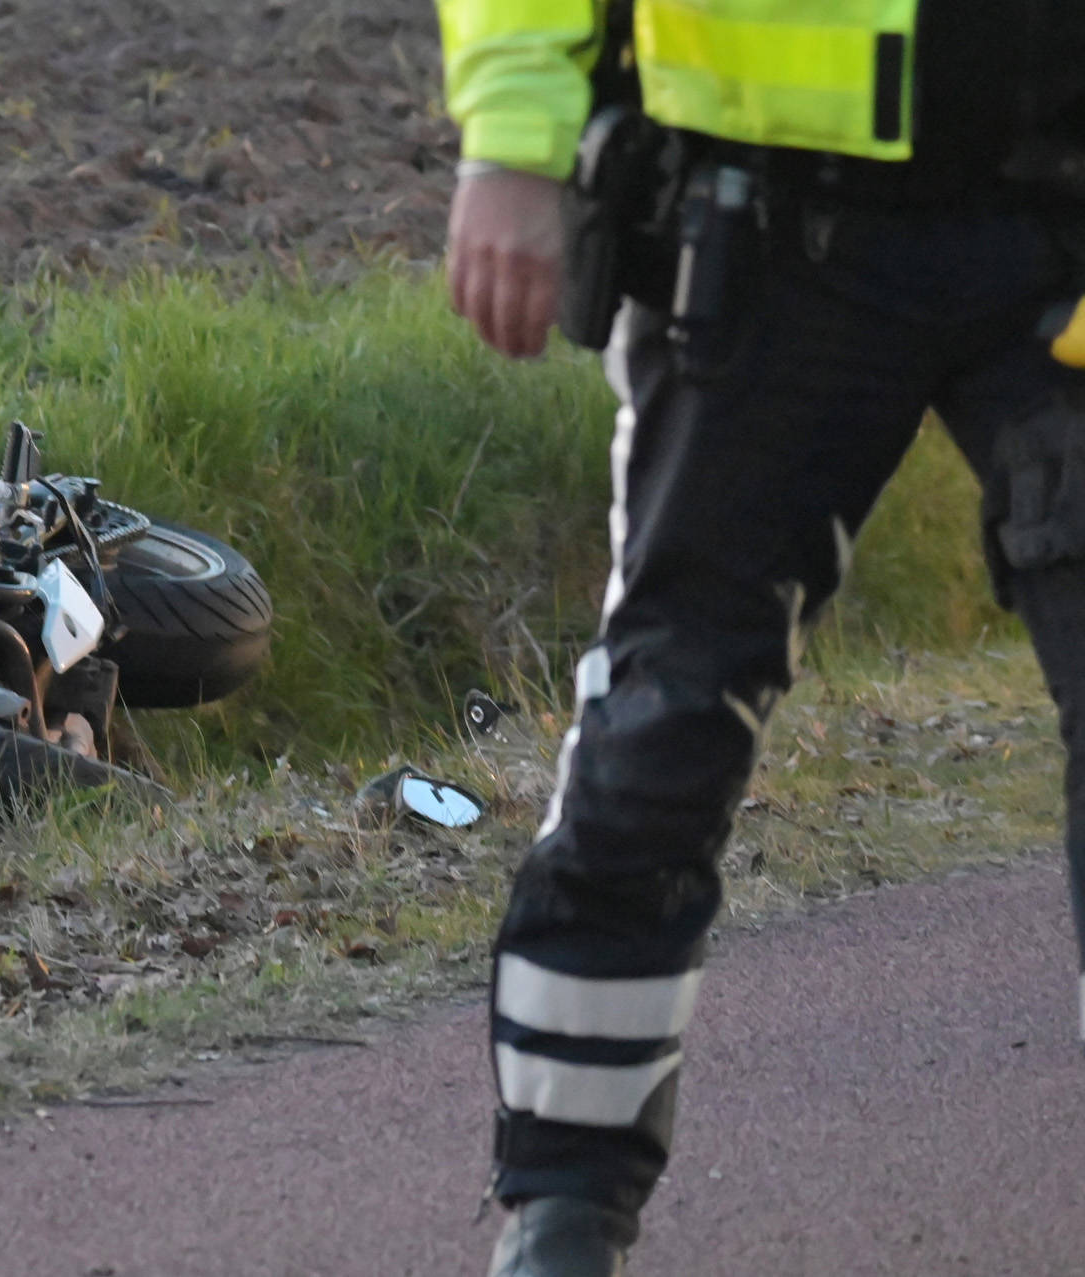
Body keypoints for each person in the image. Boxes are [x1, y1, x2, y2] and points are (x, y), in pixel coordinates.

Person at [435, 2, 1085, 1273]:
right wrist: (509, 142)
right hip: (772, 221)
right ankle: (562, 1211)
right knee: (671, 706)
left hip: (1066, 206)